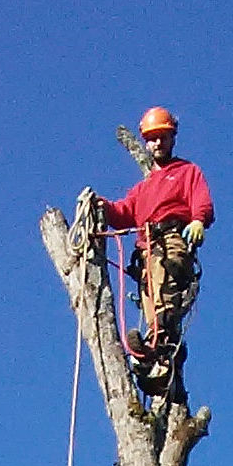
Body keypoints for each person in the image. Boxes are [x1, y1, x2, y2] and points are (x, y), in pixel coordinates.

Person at [93, 106, 213, 397]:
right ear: (146, 142)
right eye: (152, 138)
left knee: (166, 302)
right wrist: (102, 207)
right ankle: (154, 359)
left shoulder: (186, 172)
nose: (158, 143)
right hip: (146, 251)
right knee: (151, 306)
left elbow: (202, 201)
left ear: (172, 138)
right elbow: (123, 213)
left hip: (171, 239)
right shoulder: (143, 188)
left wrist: (198, 220)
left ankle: (162, 352)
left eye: (163, 137)